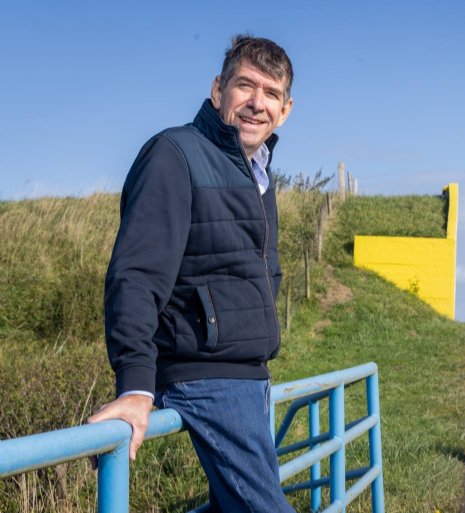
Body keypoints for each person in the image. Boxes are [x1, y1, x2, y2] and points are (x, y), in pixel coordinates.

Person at [88, 34, 296, 513]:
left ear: (285, 110)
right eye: (246, 86)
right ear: (218, 88)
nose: (256, 103)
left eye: (271, 93)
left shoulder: (257, 171)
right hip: (208, 379)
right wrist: (136, 385)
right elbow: (137, 274)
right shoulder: (175, 154)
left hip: (250, 379)